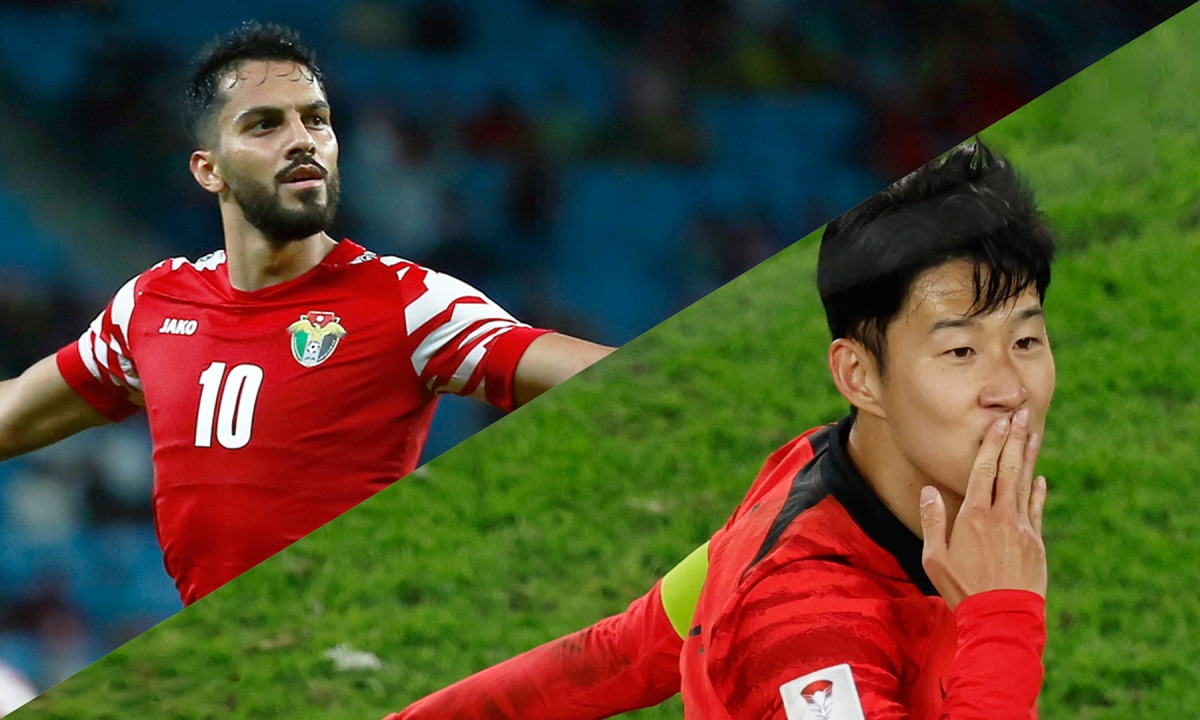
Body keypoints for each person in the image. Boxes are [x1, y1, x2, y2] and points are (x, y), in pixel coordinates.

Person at [385, 140, 1055, 719]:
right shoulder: (805, 624)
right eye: (960, 352)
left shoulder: (824, 462)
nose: (1011, 391)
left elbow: (634, 645)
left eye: (1026, 340)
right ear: (859, 377)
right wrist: (1003, 614)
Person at [0, 22, 612, 606]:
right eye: (264, 124)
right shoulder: (152, 305)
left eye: (316, 120)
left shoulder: (408, 301)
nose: (302, 140)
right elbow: (16, 414)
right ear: (208, 169)